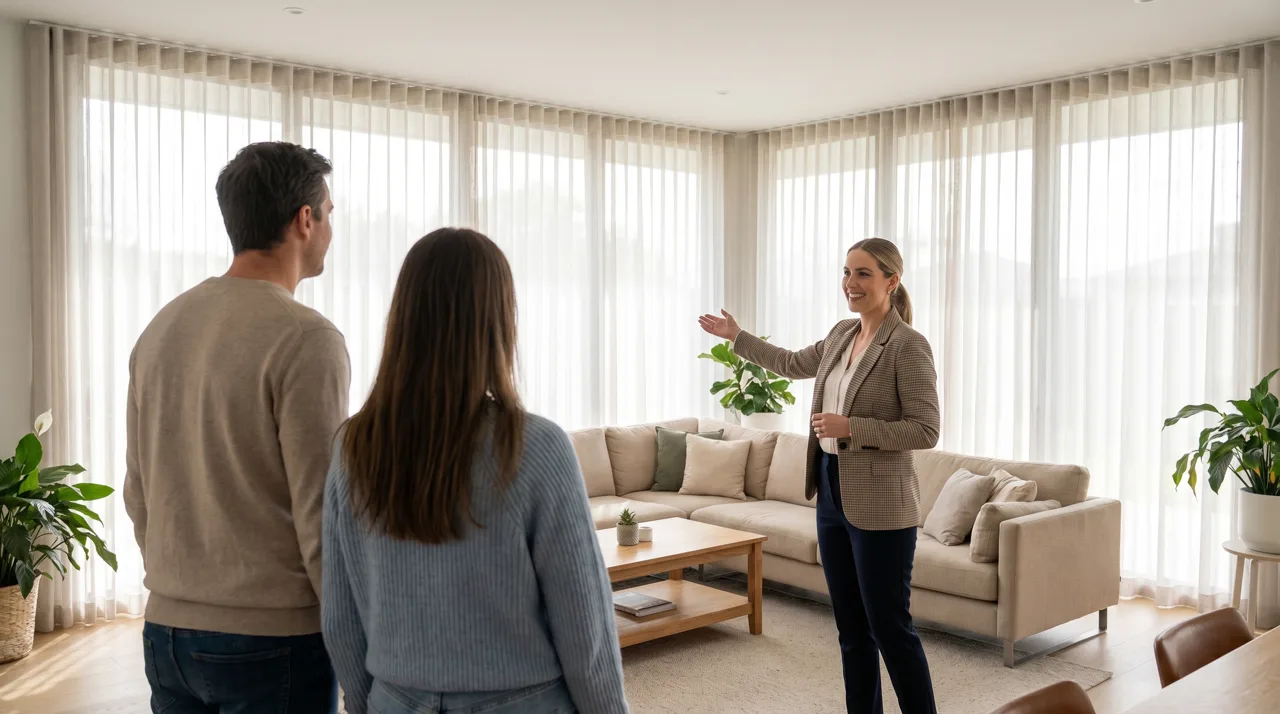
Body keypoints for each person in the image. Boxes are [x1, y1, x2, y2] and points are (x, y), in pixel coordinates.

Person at [322, 227, 628, 714]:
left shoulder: (354, 446)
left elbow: (339, 612)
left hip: (394, 698)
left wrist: (367, 704)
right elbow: (584, 625)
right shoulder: (537, 446)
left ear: (403, 319)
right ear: (497, 322)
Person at [124, 142, 349, 713]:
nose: (330, 229)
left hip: (165, 630)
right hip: (274, 639)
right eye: (330, 213)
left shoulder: (161, 327)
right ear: (306, 219)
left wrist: (175, 585)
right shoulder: (306, 338)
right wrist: (352, 641)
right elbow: (320, 510)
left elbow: (137, 490)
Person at [698, 237, 939, 714]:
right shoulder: (841, 334)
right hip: (830, 491)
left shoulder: (908, 346)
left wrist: (853, 428)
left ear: (892, 281)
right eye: (847, 272)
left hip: (884, 506)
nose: (851, 283)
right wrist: (737, 336)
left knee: (890, 628)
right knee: (850, 628)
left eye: (864, 273)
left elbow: (926, 429)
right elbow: (790, 364)